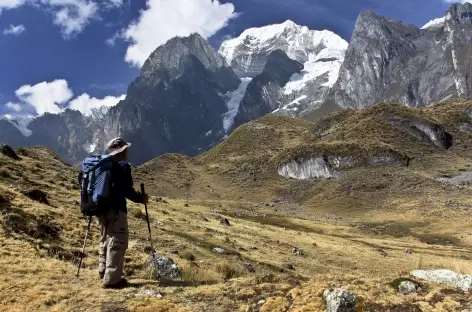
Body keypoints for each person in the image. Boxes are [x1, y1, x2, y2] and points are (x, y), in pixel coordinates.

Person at [95, 137, 147, 288]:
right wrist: (140, 199)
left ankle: (103, 270)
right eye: (126, 149)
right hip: (116, 208)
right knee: (118, 240)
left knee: (105, 238)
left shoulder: (100, 165)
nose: (127, 152)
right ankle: (112, 280)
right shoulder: (123, 165)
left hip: (100, 209)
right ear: (122, 150)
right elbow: (127, 190)